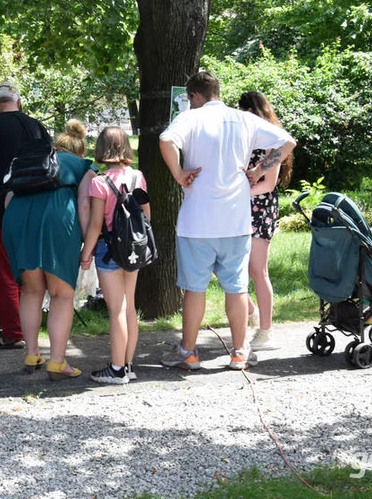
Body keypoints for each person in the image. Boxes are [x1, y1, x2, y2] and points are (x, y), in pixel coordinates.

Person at [158, 71, 296, 371]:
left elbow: (166, 140)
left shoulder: (191, 119)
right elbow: (286, 142)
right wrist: (259, 170)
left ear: (195, 96)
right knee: (237, 287)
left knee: (195, 289)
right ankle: (238, 352)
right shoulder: (243, 119)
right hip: (236, 220)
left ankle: (189, 352)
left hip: (197, 222)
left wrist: (179, 174)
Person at [3, 119, 95, 380]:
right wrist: (88, 243)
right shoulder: (83, 166)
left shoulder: (31, 162)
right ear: (79, 149)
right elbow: (85, 205)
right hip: (58, 220)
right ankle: (57, 361)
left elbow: (9, 197)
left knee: (31, 290)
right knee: (61, 294)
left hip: (18, 219)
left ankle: (32, 354)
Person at [0, 83, 50, 351]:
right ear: (20, 102)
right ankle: (33, 325)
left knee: (2, 273)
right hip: (37, 205)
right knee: (32, 270)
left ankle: (14, 331)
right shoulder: (37, 126)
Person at [79, 126, 150, 385]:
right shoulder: (138, 177)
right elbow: (146, 216)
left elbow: (96, 224)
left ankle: (117, 369)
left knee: (116, 310)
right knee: (129, 307)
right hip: (134, 249)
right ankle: (128, 365)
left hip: (108, 251)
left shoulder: (99, 183)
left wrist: (86, 254)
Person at [239, 91, 293, 350]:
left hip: (260, 209)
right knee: (224, 263)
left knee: (258, 270)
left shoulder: (272, 140)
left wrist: (238, 194)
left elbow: (268, 184)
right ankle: (250, 310)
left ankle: (265, 331)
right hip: (239, 208)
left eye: (246, 112)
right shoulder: (246, 137)